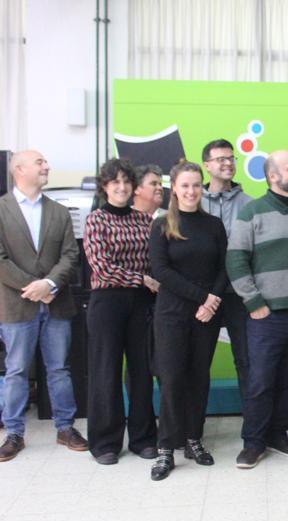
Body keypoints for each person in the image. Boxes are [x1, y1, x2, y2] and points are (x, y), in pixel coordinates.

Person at [226, 150, 288, 469]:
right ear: (273, 176)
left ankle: (277, 434)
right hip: (267, 316)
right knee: (261, 381)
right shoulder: (251, 213)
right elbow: (235, 259)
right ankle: (253, 442)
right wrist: (254, 303)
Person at [0, 150, 87, 462]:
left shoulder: (59, 212)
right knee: (17, 369)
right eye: (40, 163)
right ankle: (14, 433)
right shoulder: (1, 209)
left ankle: (65, 428)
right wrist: (32, 287)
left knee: (59, 369)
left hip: (56, 302)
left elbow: (70, 255)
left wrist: (49, 284)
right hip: (16, 305)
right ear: (18, 169)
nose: (47, 166)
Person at [147, 161, 228, 480]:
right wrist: (202, 298)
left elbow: (224, 268)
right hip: (172, 315)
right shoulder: (162, 224)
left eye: (196, 185)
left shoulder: (213, 225)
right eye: (185, 186)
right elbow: (161, 271)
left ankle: (194, 439)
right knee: (171, 379)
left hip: (206, 315)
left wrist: (213, 302)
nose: (192, 191)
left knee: (198, 378)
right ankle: (166, 447)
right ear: (175, 189)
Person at [83, 158, 160, 465]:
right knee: (105, 371)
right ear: (105, 186)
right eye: (115, 181)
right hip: (108, 302)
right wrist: (141, 279)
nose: (122, 186)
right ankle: (104, 442)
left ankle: (143, 439)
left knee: (142, 371)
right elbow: (101, 266)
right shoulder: (96, 220)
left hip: (142, 303)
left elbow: (155, 259)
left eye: (127, 181)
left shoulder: (144, 221)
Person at [200, 139, 253, 406]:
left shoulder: (249, 203)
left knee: (246, 360)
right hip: (204, 295)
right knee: (198, 361)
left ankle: (254, 426)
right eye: (220, 159)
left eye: (231, 158)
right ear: (206, 165)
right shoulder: (193, 202)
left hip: (239, 294)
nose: (227, 163)